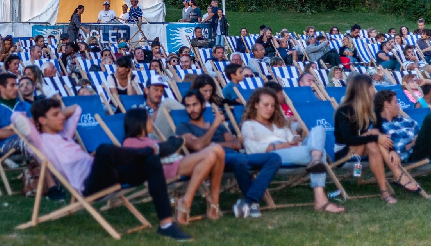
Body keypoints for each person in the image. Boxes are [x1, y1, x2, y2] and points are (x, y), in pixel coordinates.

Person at [11, 99, 192, 240]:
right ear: (41, 120)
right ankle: (152, 149)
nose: (61, 117)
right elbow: (16, 118)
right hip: (91, 184)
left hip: (107, 174)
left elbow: (76, 109)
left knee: (151, 162)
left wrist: (53, 113)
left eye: (60, 113)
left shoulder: (63, 134)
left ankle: (166, 225)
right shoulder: (39, 142)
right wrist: (38, 120)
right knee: (104, 150)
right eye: (55, 115)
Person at [176, 90, 281, 219]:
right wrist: (214, 127)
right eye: (188, 106)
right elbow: (197, 146)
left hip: (236, 156)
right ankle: (252, 204)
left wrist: (213, 145)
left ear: (203, 105)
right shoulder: (184, 127)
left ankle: (248, 201)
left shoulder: (219, 127)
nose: (192, 109)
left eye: (195, 104)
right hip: (214, 160)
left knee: (274, 157)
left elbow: (236, 144)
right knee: (239, 160)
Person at [241, 87, 344, 213]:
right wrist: (280, 146)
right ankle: (320, 199)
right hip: (271, 155)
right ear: (256, 105)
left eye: (273, 106)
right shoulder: (249, 125)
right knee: (318, 151)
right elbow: (251, 148)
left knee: (318, 129)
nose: (270, 109)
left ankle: (316, 160)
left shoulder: (278, 123)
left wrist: (295, 141)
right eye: (266, 105)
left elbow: (291, 140)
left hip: (291, 151)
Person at [123, 107, 224, 224]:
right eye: (149, 119)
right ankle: (189, 201)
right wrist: (175, 142)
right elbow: (158, 151)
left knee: (217, 152)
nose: (152, 122)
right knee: (213, 152)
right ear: (139, 123)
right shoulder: (130, 142)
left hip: (173, 163)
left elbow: (165, 148)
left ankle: (210, 201)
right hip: (163, 170)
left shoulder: (149, 139)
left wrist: (175, 142)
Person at [334, 73, 403, 204]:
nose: (374, 90)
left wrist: (392, 149)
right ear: (363, 90)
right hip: (344, 154)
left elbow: (381, 133)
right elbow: (349, 139)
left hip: (365, 149)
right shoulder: (344, 111)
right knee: (373, 135)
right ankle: (397, 176)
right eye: (372, 87)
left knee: (373, 138)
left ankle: (384, 191)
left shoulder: (372, 110)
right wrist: (374, 136)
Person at [0, 73, 33, 154]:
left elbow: (35, 124)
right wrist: (21, 130)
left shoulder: (25, 105)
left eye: (16, 85)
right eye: (12, 85)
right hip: (7, 144)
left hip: (30, 139)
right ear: (1, 88)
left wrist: (10, 128)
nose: (16, 88)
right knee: (30, 142)